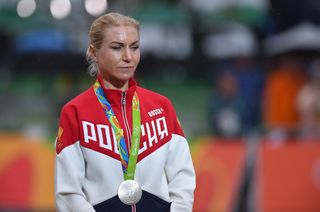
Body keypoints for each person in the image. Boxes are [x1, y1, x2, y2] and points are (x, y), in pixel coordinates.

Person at [54, 12, 196, 212]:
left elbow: (182, 177)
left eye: (134, 47)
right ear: (94, 53)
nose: (128, 57)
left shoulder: (161, 106)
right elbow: (68, 193)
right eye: (117, 47)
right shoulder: (75, 112)